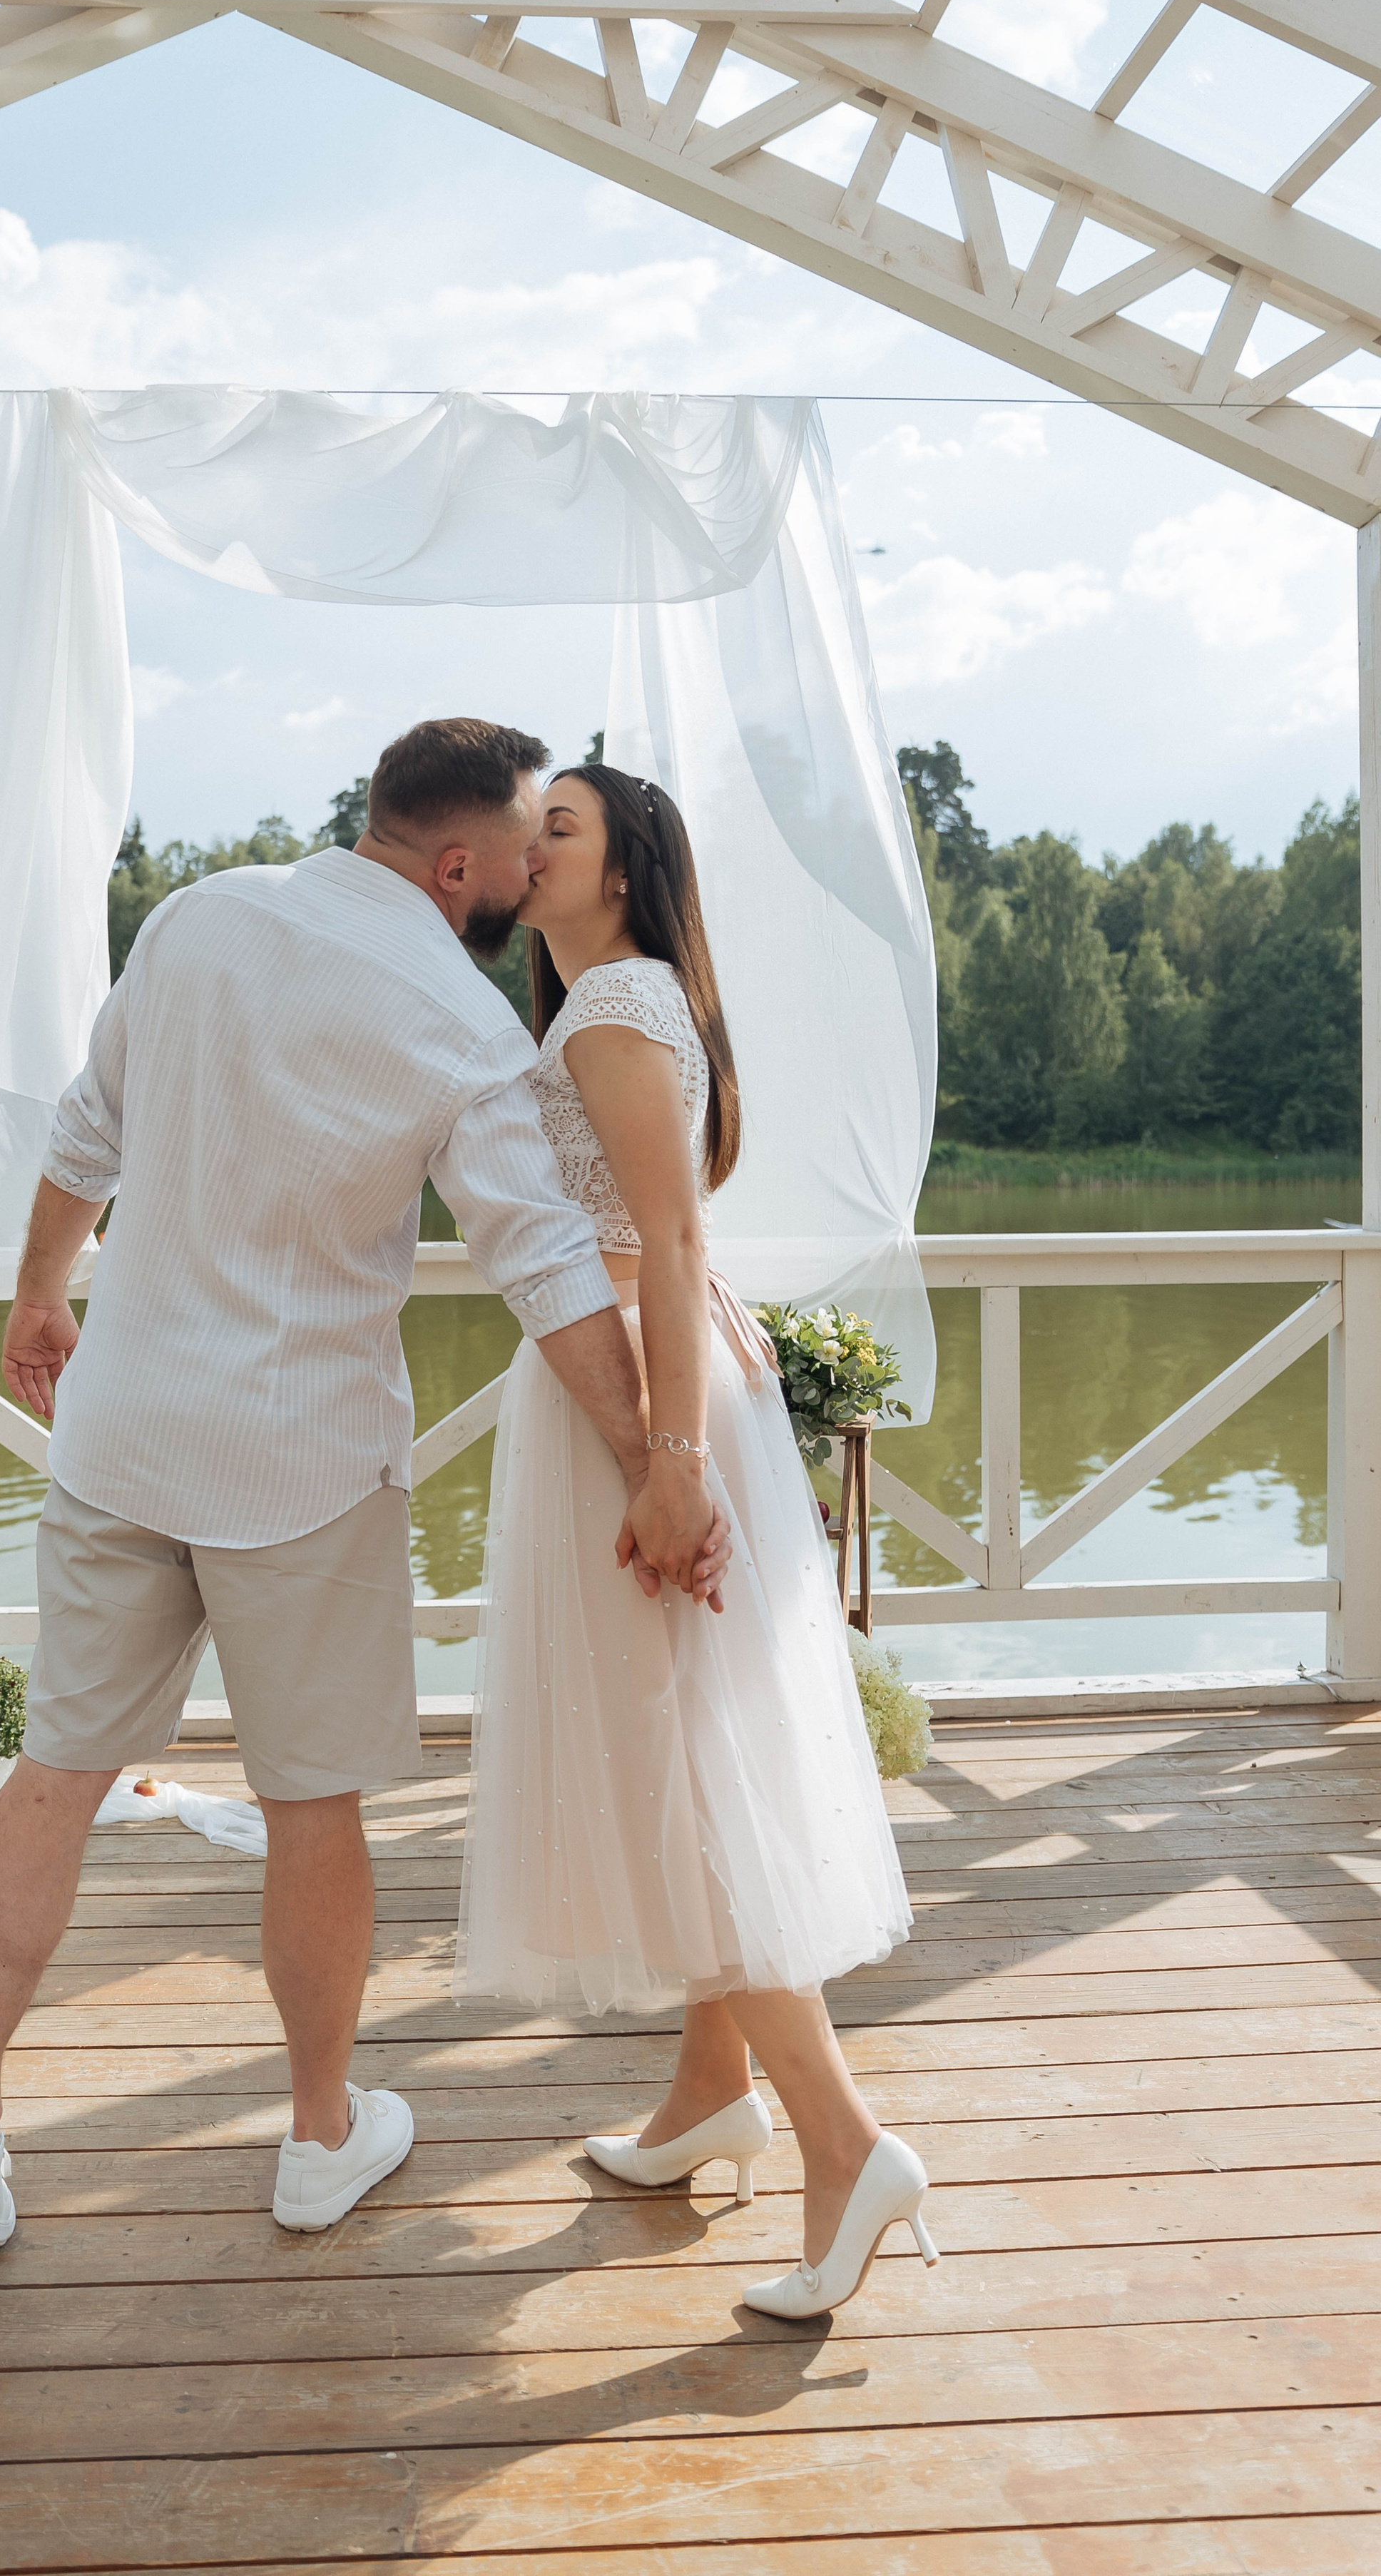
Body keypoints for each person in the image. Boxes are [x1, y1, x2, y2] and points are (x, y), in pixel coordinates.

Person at [0, 718, 730, 2250]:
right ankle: (317, 2135)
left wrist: (37, 1295)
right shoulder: (460, 1025)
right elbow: (545, 1264)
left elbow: (88, 1131)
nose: (523, 878)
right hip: (303, 1462)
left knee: (57, 1774)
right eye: (517, 852)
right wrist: (653, 1464)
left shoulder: (199, 915)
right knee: (310, 1809)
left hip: (124, 1436)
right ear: (461, 862)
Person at [453, 764, 934, 2321]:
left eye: (559, 829)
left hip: (642, 1399)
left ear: (625, 862)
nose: (529, 848)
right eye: (524, 827)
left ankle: (843, 2142)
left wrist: (666, 1462)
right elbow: (667, 1234)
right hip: (643, 1374)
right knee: (688, 1743)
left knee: (687, 1773)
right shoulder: (618, 1000)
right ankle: (703, 2099)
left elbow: (664, 1236)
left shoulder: (610, 1011)